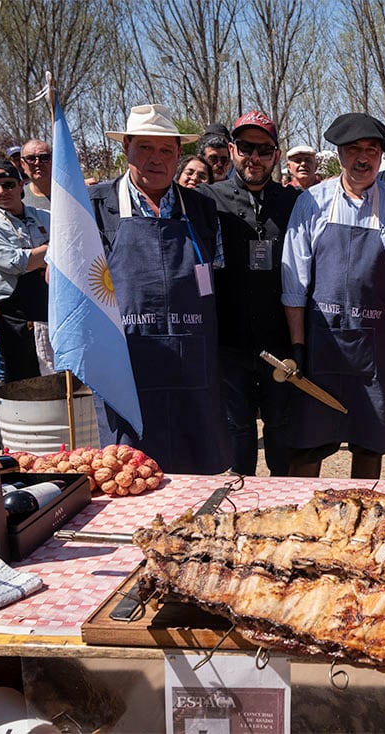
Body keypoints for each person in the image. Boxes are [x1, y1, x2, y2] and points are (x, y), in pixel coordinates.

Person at [281, 113, 385, 479]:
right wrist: (298, 347)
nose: (362, 159)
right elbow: (294, 284)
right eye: (353, 150)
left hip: (377, 349)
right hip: (321, 346)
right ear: (339, 154)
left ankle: (361, 516)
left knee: (370, 443)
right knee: (308, 446)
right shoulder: (311, 203)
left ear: (382, 156)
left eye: (371, 150)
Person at [89, 104, 228, 475]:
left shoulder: (201, 208)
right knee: (130, 475)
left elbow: (215, 276)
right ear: (127, 149)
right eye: (145, 148)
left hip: (192, 366)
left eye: (166, 150)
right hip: (127, 365)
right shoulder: (96, 205)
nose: (156, 159)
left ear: (179, 155)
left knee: (195, 472)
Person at [202, 110, 299, 476]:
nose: (254, 158)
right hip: (229, 341)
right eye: (245, 148)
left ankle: (284, 508)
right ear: (231, 149)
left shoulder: (292, 202)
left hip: (279, 340)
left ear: (276, 155)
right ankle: (239, 503)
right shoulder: (206, 199)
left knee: (280, 428)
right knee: (238, 430)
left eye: (263, 150)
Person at [0, 159, 50, 384]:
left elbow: (72, 248)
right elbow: (13, 263)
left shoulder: (45, 217)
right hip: (13, 314)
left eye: (8, 184)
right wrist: (52, 251)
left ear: (21, 184)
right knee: (23, 381)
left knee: (57, 374)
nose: (1, 191)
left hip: (50, 306)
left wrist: (37, 256)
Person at [18, 140, 53, 209]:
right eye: (30, 159)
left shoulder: (72, 194)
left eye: (44, 157)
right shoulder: (17, 198)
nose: (37, 163)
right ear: (22, 164)